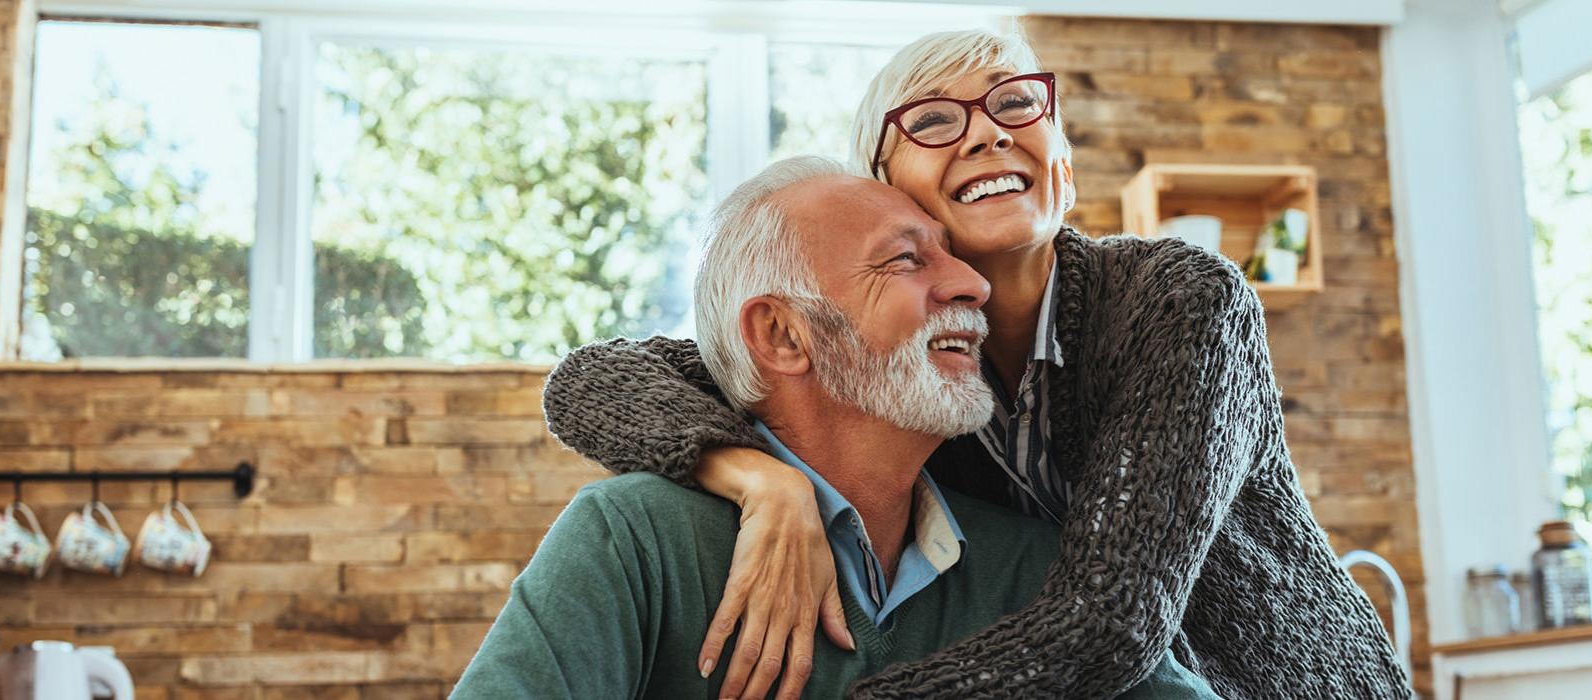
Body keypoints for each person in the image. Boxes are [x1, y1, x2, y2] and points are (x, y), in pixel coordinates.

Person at [539, 28, 1412, 699]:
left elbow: (1110, 622)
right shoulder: (903, 371)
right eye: (932, 120)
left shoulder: (1180, 301)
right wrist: (763, 480)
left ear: (1062, 166)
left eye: (1016, 106)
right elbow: (592, 379)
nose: (988, 134)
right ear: (883, 186)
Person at [450, 157, 1217, 700]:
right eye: (905, 261)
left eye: (950, 255)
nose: (972, 284)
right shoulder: (636, 541)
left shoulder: (1037, 567)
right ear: (784, 336)